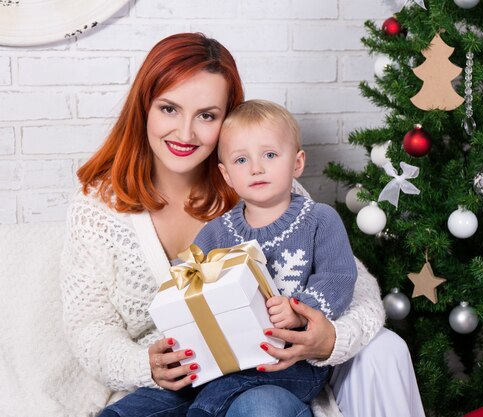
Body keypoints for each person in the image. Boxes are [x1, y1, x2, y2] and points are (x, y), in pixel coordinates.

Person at [59, 32, 426, 417]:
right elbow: (89, 327)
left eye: (207, 115)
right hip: (174, 381)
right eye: (169, 109)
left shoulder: (263, 183)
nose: (185, 133)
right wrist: (144, 365)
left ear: (229, 120)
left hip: (271, 373)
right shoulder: (97, 206)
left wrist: (330, 339)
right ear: (144, 108)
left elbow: (353, 282)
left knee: (258, 406)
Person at [186, 99, 358, 415]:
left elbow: (339, 279)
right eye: (241, 160)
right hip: (235, 357)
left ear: (297, 162)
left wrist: (299, 312)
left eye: (269, 155)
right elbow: (186, 279)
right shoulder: (216, 233)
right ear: (226, 175)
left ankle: (203, 410)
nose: (256, 167)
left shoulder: (319, 220)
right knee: (196, 383)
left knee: (218, 393)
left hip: (295, 362)